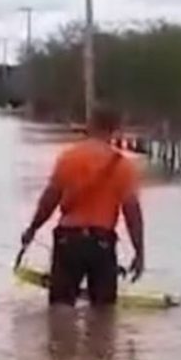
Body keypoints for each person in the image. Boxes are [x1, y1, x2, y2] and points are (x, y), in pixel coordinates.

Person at [21, 104, 144, 306]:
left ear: (90, 125)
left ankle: (59, 338)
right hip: (102, 243)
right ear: (116, 128)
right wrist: (139, 253)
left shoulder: (68, 158)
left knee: (60, 310)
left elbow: (49, 199)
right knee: (104, 316)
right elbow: (133, 213)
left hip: (68, 241)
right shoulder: (123, 166)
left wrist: (32, 229)